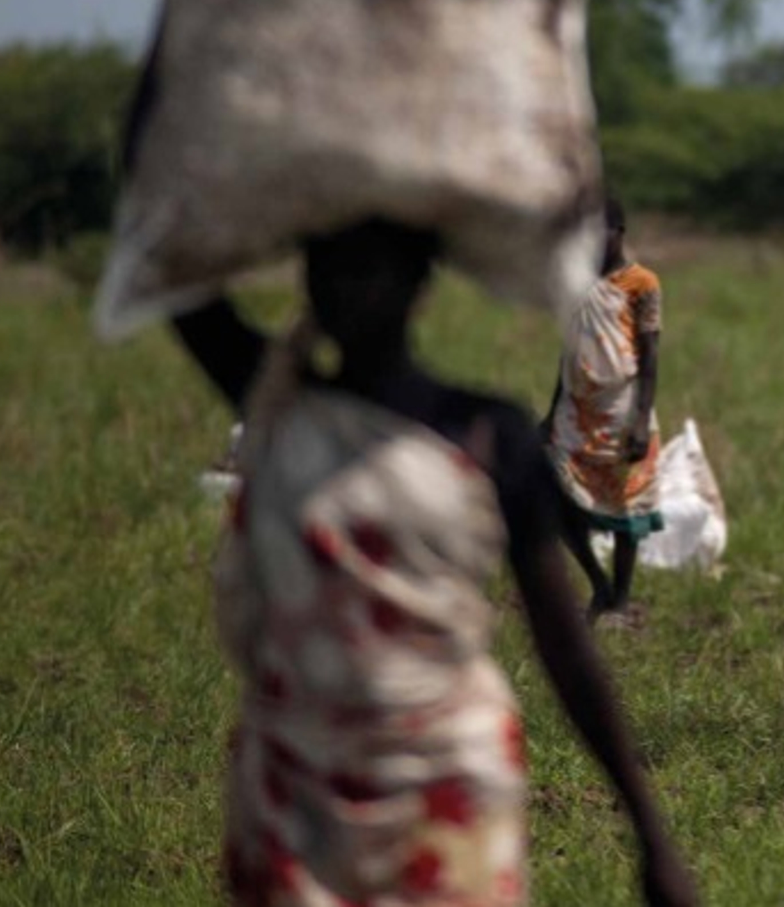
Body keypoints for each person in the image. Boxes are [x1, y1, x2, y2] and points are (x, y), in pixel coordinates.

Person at [171, 219, 696, 906]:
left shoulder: (488, 435)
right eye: (326, 269)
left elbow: (564, 644)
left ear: (420, 283)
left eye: (371, 270)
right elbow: (173, 267)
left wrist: (650, 833)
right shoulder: (278, 403)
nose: (345, 290)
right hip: (294, 787)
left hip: (448, 776)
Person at [542, 197, 665, 619]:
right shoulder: (575, 283)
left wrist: (641, 421)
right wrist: (552, 411)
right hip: (574, 415)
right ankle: (599, 583)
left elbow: (650, 358)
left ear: (620, 232)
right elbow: (569, 354)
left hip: (623, 409)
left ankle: (622, 598)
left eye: (602, 232)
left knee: (626, 507)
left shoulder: (642, 284)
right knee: (556, 501)